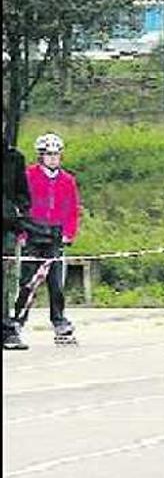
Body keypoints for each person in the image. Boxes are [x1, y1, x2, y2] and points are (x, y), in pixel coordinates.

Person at [13, 133, 80, 345]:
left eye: (56, 154)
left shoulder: (67, 180)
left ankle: (59, 321)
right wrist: (22, 233)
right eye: (48, 154)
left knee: (56, 283)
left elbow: (72, 209)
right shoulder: (29, 175)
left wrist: (69, 233)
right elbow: (21, 205)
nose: (53, 158)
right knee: (28, 282)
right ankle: (17, 320)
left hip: (55, 236)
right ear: (41, 156)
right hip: (33, 234)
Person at [3, 133, 31, 350]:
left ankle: (6, 328)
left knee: (7, 281)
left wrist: (19, 211)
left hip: (7, 227)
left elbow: (23, 194)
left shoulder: (14, 158)